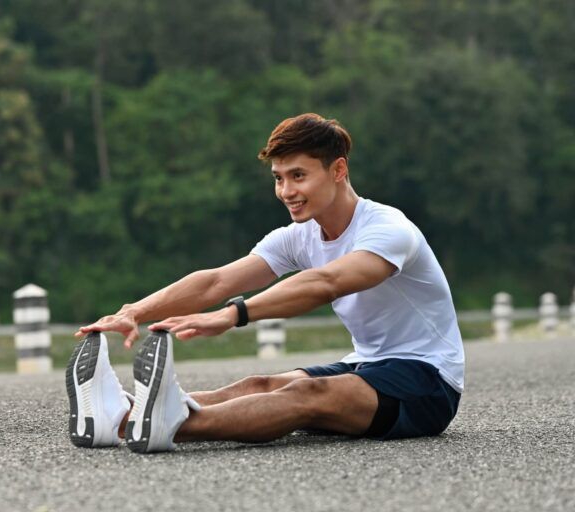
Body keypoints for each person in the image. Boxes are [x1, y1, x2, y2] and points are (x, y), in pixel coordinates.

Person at [67, 113, 464, 453]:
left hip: (428, 382)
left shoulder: (388, 229)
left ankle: (166, 424)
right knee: (260, 384)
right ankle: (123, 416)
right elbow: (216, 280)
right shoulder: (299, 235)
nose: (287, 192)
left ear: (338, 170)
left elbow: (327, 282)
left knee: (304, 395)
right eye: (278, 178)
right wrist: (133, 312)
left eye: (298, 176)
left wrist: (233, 315)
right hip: (368, 364)